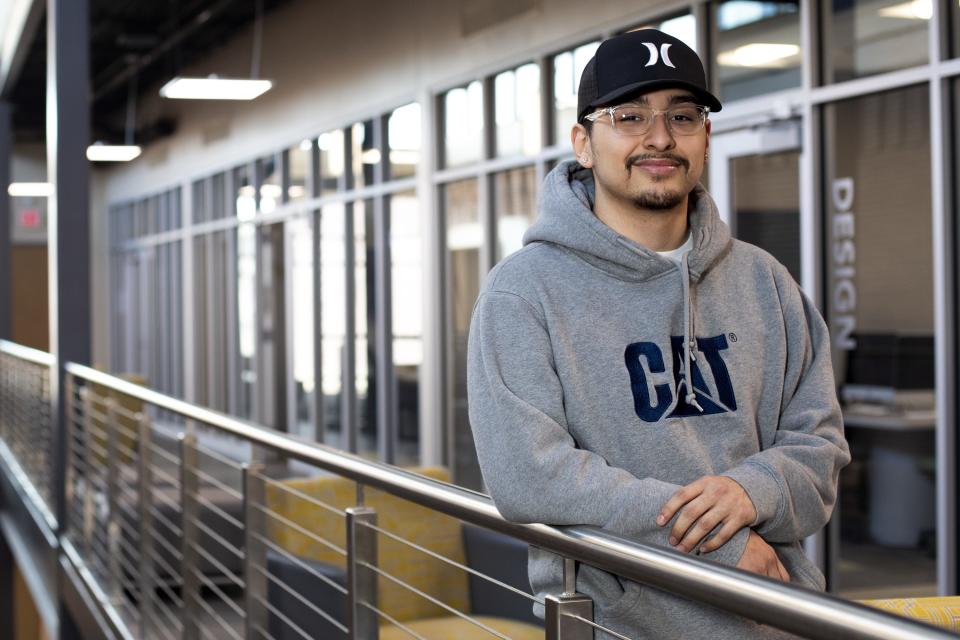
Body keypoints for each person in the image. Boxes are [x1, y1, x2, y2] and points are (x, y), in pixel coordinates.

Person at [466, 28, 851, 639]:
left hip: (775, 618)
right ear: (584, 143)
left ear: (705, 137)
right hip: (613, 627)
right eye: (630, 116)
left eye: (683, 115)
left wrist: (752, 490)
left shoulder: (765, 283)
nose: (660, 137)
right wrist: (718, 548)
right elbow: (529, 476)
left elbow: (820, 449)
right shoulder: (523, 293)